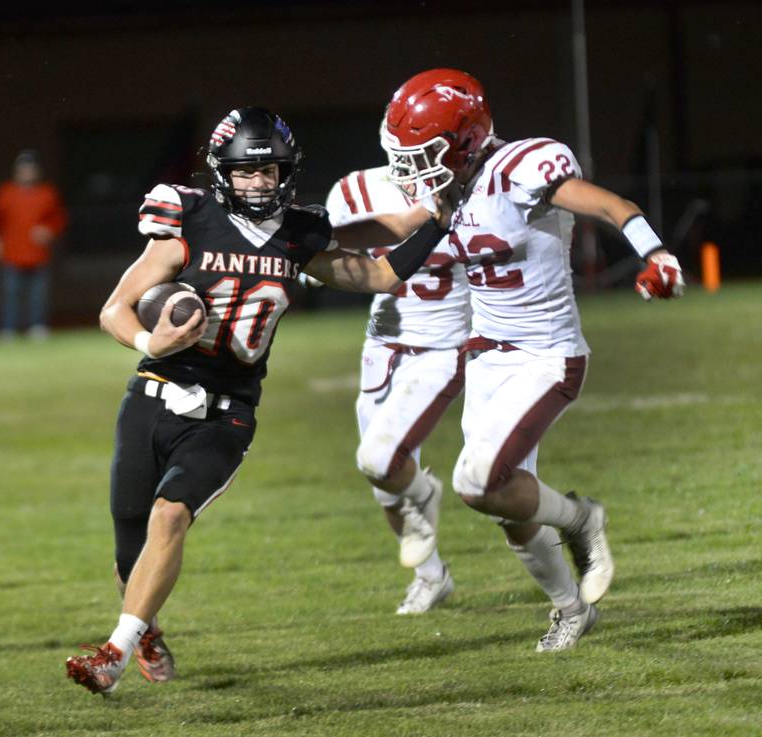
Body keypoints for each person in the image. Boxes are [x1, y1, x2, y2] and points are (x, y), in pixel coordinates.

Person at [65, 106, 453, 695]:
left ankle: (113, 654)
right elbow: (113, 310)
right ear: (222, 172)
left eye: (271, 171)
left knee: (170, 514)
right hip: (155, 392)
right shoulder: (188, 220)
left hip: (228, 410)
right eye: (248, 172)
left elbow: (376, 276)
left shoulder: (298, 234)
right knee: (128, 542)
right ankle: (144, 628)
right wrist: (151, 339)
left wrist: (436, 225)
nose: (260, 182)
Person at [380, 69, 685, 651]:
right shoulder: (452, 189)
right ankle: (570, 609)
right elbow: (395, 235)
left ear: (464, 142)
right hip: (489, 358)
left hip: (546, 355)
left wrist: (656, 252)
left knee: (477, 481)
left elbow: (610, 203)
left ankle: (581, 519)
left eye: (422, 154)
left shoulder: (520, 166)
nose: (413, 169)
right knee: (507, 505)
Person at [324, 167, 469, 614]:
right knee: (381, 477)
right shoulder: (353, 188)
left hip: (446, 339)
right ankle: (431, 577)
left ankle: (556, 578)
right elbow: (332, 256)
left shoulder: (467, 182)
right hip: (383, 341)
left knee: (387, 458)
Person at [0, 150, 67, 340]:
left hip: (38, 254)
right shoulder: (6, 193)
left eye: (30, 169)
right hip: (11, 253)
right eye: (23, 169)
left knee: (38, 296)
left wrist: (49, 231)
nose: (27, 173)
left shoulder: (46, 193)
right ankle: (8, 328)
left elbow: (58, 219)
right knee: (10, 294)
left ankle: (37, 326)